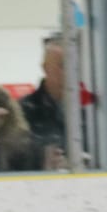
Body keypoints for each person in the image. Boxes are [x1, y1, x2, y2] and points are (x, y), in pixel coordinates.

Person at [16, 35, 75, 170]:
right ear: (45, 67)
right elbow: (14, 159)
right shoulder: (22, 111)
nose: (69, 72)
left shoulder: (91, 110)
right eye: (62, 65)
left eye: (73, 66)